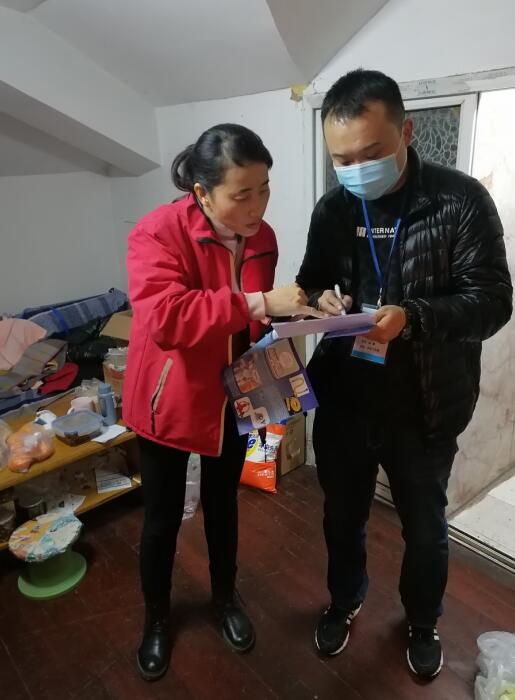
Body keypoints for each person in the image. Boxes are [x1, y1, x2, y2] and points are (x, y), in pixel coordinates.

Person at [296, 69, 512, 679]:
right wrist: (320, 299)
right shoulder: (334, 207)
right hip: (345, 400)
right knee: (342, 517)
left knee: (424, 527)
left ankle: (422, 620)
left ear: (407, 132)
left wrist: (412, 318)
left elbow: (493, 302)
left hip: (425, 404)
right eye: (342, 159)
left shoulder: (459, 200)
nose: (356, 169)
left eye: (371, 153)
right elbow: (312, 280)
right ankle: (345, 600)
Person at [123, 123, 321, 681]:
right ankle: (157, 619)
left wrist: (303, 308)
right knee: (161, 520)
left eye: (264, 189)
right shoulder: (157, 232)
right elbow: (167, 320)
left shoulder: (263, 236)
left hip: (234, 396)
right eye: (242, 194)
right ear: (203, 194)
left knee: (223, 505)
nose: (256, 206)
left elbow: (255, 320)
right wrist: (258, 302)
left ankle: (224, 598)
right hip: (169, 398)